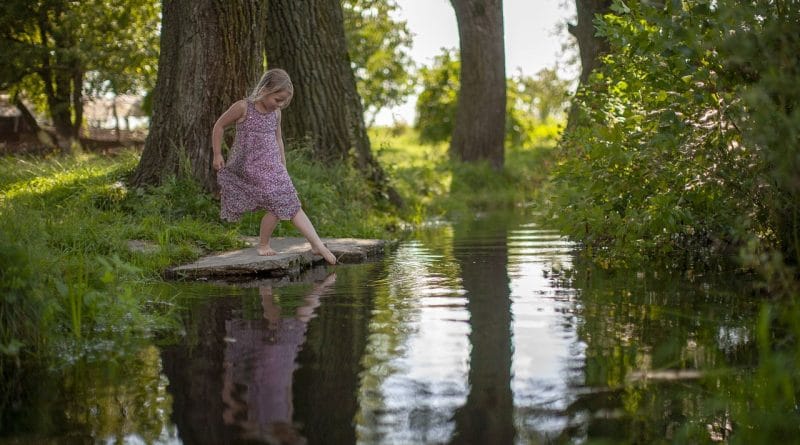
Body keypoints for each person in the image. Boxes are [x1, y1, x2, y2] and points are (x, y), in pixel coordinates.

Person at [212, 68, 336, 265]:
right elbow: (219, 125)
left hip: (273, 166)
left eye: (284, 101)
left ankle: (316, 244)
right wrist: (217, 153)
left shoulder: (276, 113)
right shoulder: (244, 107)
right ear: (265, 89)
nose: (280, 104)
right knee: (277, 199)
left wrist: (283, 166)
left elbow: (278, 139)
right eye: (278, 99)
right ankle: (265, 244)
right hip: (251, 165)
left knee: (289, 202)